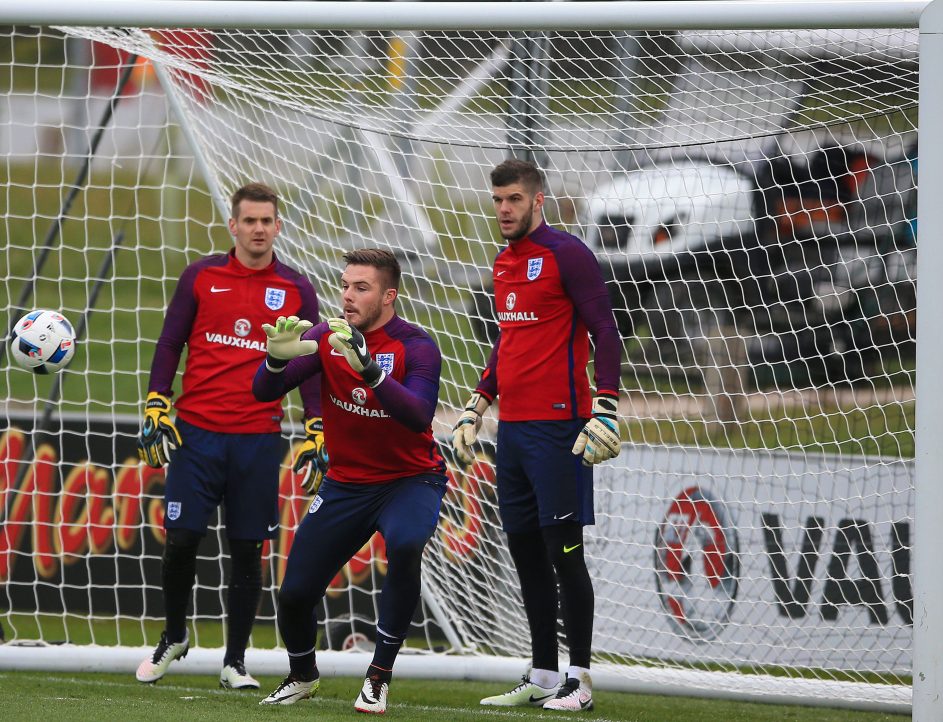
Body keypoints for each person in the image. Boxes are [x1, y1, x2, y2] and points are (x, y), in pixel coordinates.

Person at [135, 182, 325, 690]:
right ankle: (174, 635)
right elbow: (171, 340)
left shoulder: (296, 287)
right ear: (233, 226)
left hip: (257, 439)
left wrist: (315, 424)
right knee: (181, 541)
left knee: (247, 551)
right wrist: (158, 398)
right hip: (196, 436)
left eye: (267, 220)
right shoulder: (201, 276)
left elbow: (315, 361)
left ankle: (235, 661)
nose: (259, 228)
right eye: (250, 220)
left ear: (278, 226)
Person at [452, 159, 622, 713]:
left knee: (564, 552)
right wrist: (479, 403)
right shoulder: (504, 263)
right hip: (514, 434)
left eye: (514, 200)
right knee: (524, 550)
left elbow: (604, 330)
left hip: (561, 431)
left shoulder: (568, 255)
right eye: (498, 200)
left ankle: (582, 679)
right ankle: (545, 672)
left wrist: (608, 406)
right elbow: (508, 344)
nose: (504, 209)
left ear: (538, 200)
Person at [252, 248, 447, 714]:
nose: (348, 296)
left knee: (404, 544)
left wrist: (370, 371)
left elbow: (418, 413)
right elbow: (263, 390)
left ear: (388, 296)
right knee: (295, 592)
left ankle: (378, 676)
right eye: (344, 286)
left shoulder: (417, 347)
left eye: (361, 288)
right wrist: (275, 362)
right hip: (346, 484)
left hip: (410, 480)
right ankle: (302, 674)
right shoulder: (327, 337)